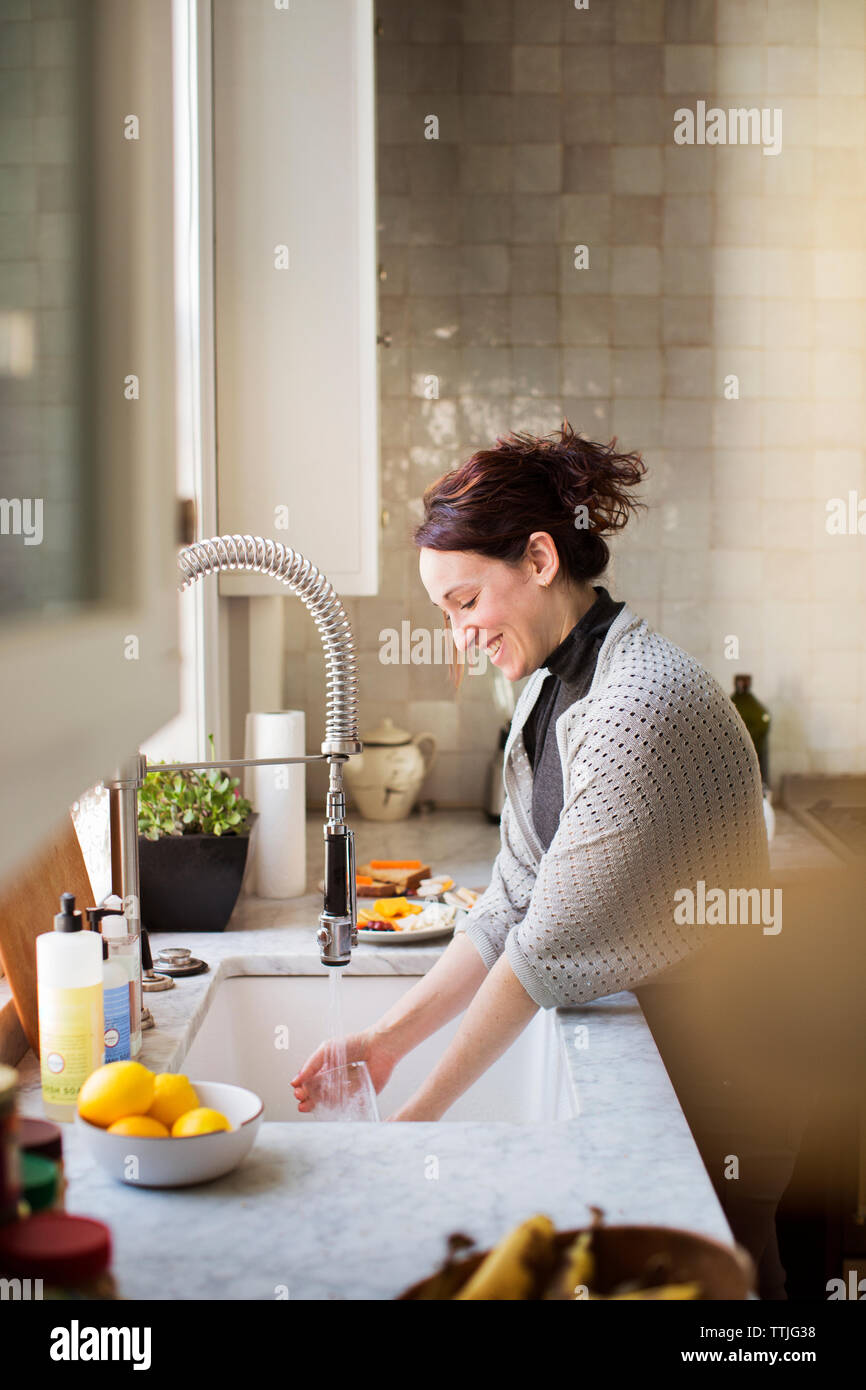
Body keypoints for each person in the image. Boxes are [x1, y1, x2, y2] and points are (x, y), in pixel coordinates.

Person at [292, 422, 788, 1290]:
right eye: (445, 612)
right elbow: (509, 904)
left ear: (539, 559)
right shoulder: (552, 691)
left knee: (730, 1303)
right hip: (658, 1052)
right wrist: (385, 1041)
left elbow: (539, 956)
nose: (458, 635)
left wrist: (411, 1126)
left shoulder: (638, 705)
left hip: (723, 1081)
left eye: (465, 602)